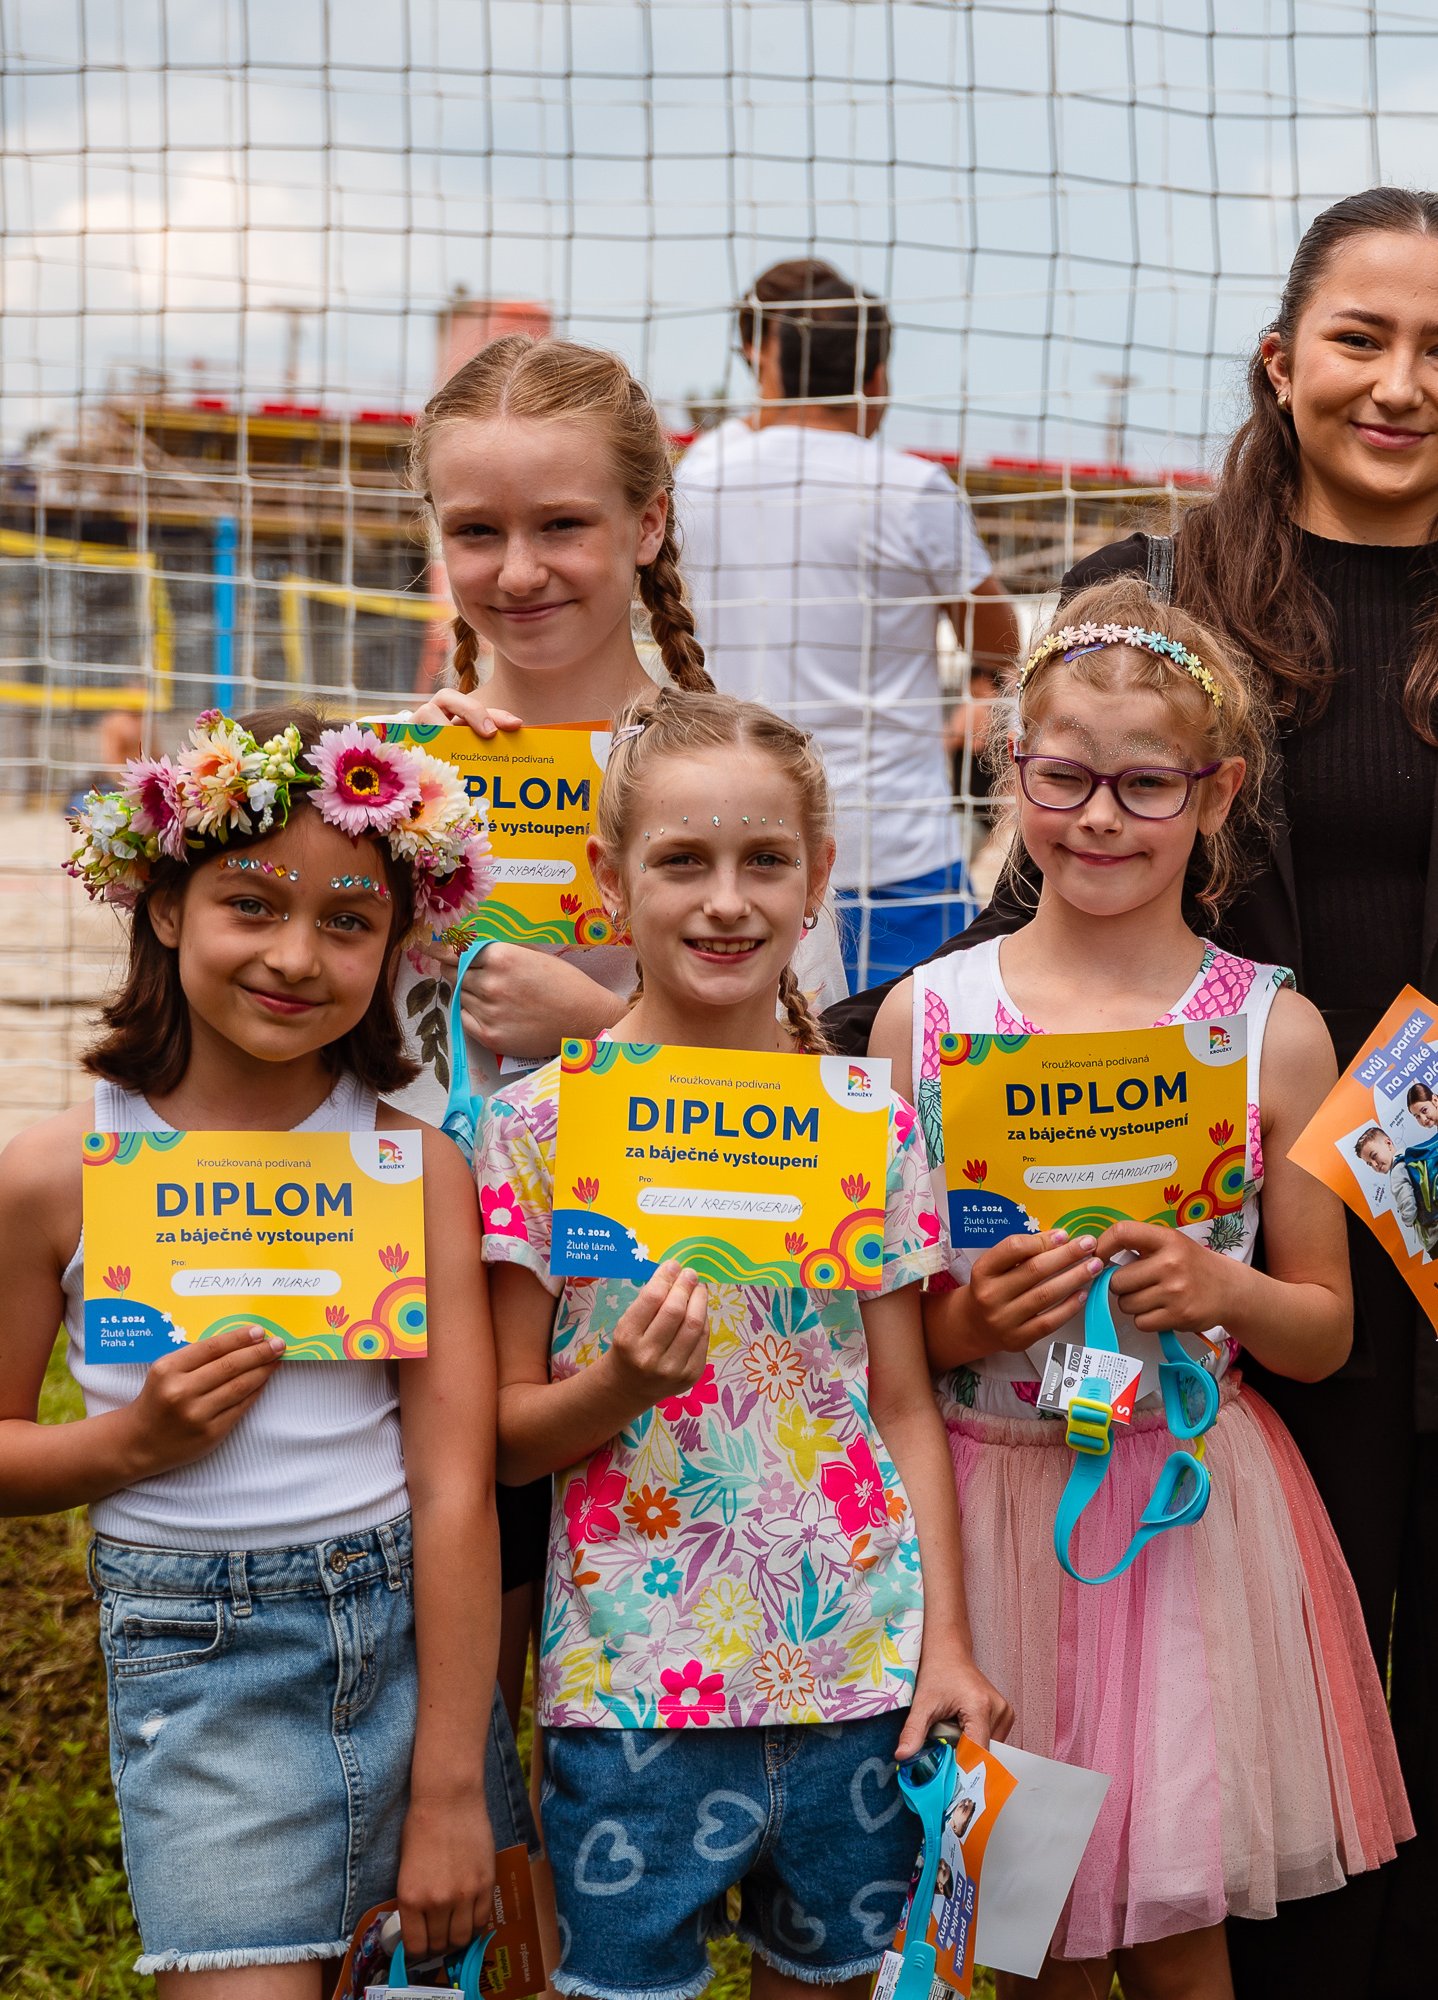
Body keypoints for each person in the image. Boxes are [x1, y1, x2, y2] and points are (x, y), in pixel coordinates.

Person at [824, 187, 1438, 1999]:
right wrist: (776, 1045)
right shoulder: (1153, 600)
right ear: (1281, 360)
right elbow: (1044, 891)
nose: (1399, 384)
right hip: (1220, 1270)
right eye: (1360, 340)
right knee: (1241, 1729)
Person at [0, 707, 526, 1986]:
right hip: (196, 1662)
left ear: (397, 944)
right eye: (250, 903)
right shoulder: (55, 1173)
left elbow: (454, 1485)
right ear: (164, 906)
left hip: (408, 1639)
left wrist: (447, 1790)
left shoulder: (418, 1170)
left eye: (348, 920)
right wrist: (132, 1440)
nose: (295, 954)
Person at [876, 580, 1409, 1996]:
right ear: (1014, 768)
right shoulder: (928, 1018)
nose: (1099, 817)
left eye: (1146, 783)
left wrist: (1221, 1285)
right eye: (1064, 776)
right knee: (1025, 1933)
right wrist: (972, 1316)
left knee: (1179, 1936)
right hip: (992, 1507)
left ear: (1216, 792)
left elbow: (1325, 1331)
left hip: (1186, 1519)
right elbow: (890, 1337)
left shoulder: (1273, 1031)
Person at [472, 686, 1008, 2000]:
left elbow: (904, 1403)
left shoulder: (870, 1123)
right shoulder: (537, 1127)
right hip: (632, 1688)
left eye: (765, 860)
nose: (727, 901)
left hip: (860, 1678)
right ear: (609, 878)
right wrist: (616, 1384)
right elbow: (504, 1435)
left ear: (818, 877)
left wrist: (943, 1644)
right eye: (682, 860)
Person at [404, 330, 847, 1729]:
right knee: (463, 1730)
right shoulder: (397, 777)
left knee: (607, 1719)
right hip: (432, 1305)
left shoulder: (734, 776)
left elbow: (815, 1100)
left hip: (664, 1332)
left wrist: (594, 1021)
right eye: (477, 531)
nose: (518, 570)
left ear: (648, 523)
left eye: (563, 525)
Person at [677, 258, 1021, 989]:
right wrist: (972, 693)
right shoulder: (911, 489)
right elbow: (1003, 647)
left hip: (738, 840)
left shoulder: (699, 475)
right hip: (896, 850)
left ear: (768, 362)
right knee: (918, 1053)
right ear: (878, 377)